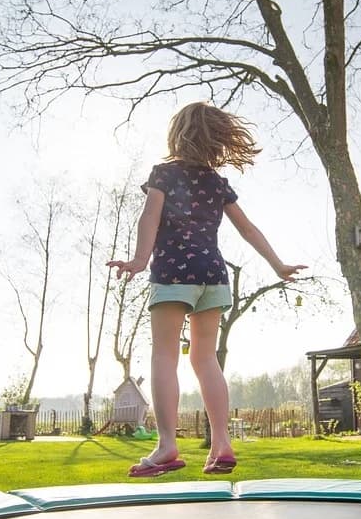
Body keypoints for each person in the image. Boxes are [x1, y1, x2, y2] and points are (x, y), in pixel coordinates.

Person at [107, 101, 306, 477]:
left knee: (164, 355)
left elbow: (149, 217)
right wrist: (277, 264)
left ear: (178, 134)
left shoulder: (163, 174)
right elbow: (248, 229)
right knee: (205, 358)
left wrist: (138, 260)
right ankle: (222, 444)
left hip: (173, 274)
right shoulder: (218, 183)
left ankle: (167, 445)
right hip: (213, 275)